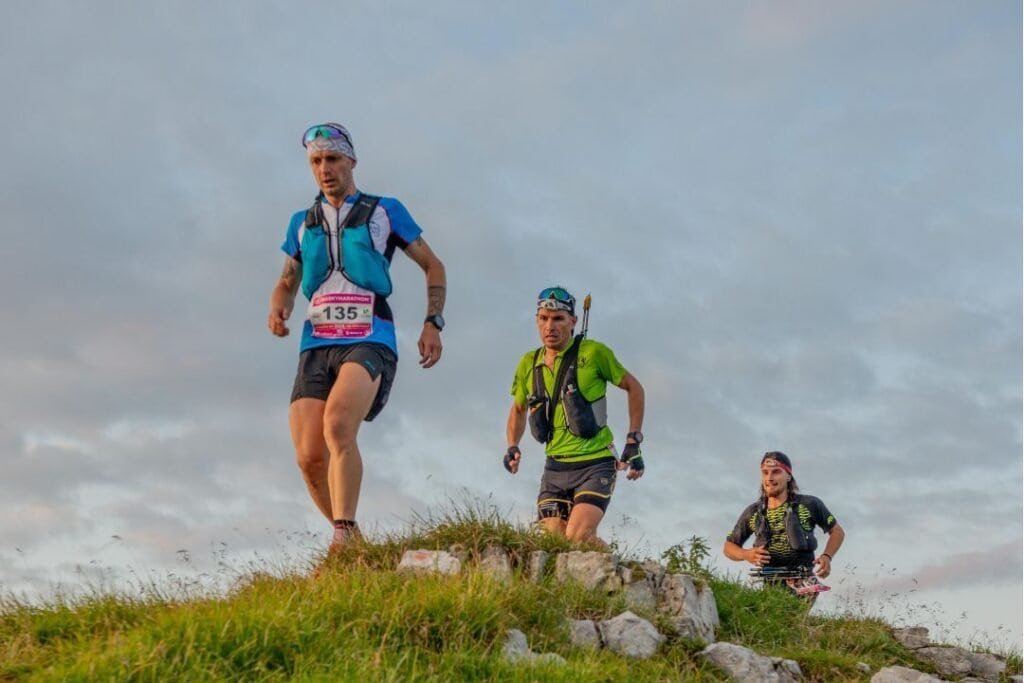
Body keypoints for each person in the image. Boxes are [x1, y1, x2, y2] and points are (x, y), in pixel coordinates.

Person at [268, 122, 446, 550]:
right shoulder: (301, 222)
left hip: (370, 336)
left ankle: (342, 535)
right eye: (316, 162)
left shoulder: (385, 211)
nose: (324, 169)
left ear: (351, 161)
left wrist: (431, 322)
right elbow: (287, 279)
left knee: (337, 426)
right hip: (316, 342)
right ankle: (353, 540)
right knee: (309, 457)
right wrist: (279, 304)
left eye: (332, 159)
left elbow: (433, 265)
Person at [503, 286, 646, 543]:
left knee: (576, 536)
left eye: (558, 319)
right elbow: (518, 409)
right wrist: (512, 446)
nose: (550, 326)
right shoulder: (528, 362)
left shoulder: (593, 353)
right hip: (555, 467)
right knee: (553, 542)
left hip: (596, 463)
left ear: (573, 321)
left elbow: (634, 387)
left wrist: (633, 440)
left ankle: (614, 572)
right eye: (544, 318)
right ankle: (606, 569)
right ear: (536, 320)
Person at [723, 451, 845, 588]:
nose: (769, 478)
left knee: (792, 609)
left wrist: (827, 557)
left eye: (776, 472)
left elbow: (837, 531)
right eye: (765, 472)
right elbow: (729, 546)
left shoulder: (809, 504)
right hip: (769, 582)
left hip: (803, 583)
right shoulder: (753, 512)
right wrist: (745, 554)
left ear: (788, 476)